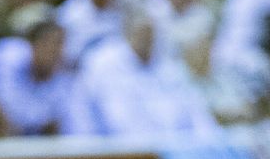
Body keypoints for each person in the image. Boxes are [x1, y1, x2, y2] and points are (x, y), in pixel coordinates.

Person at [67, 11, 219, 137]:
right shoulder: (101, 62)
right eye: (141, 33)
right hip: (113, 153)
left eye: (151, 34)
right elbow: (83, 112)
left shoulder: (167, 66)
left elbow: (195, 112)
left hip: (167, 151)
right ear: (128, 33)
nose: (147, 40)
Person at [0, 19, 73, 136]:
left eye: (61, 44)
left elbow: (58, 121)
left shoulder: (62, 75)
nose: (58, 52)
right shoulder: (10, 57)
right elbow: (12, 116)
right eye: (52, 43)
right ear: (34, 44)